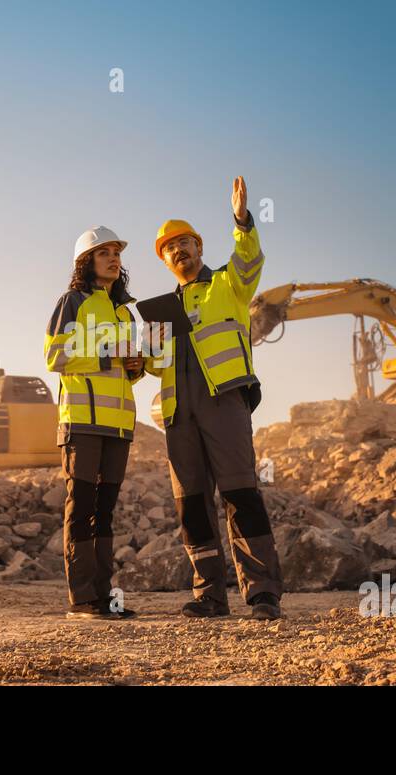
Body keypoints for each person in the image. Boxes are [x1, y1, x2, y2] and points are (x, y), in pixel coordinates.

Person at [145, 177, 285, 620]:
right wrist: (137, 358)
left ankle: (262, 592)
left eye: (184, 242)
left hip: (224, 402)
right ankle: (209, 594)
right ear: (165, 260)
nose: (178, 251)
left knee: (240, 493)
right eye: (170, 248)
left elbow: (249, 258)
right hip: (176, 412)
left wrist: (242, 220)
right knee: (192, 505)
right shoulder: (159, 311)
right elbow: (151, 364)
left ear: (199, 248)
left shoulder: (229, 283)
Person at [43, 226, 145, 619]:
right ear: (86, 262)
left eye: (117, 252)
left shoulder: (125, 312)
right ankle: (81, 599)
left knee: (104, 512)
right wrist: (108, 355)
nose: (114, 258)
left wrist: (137, 366)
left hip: (118, 426)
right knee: (81, 506)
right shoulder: (72, 301)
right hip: (82, 423)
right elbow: (55, 355)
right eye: (105, 253)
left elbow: (128, 371)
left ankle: (104, 599)